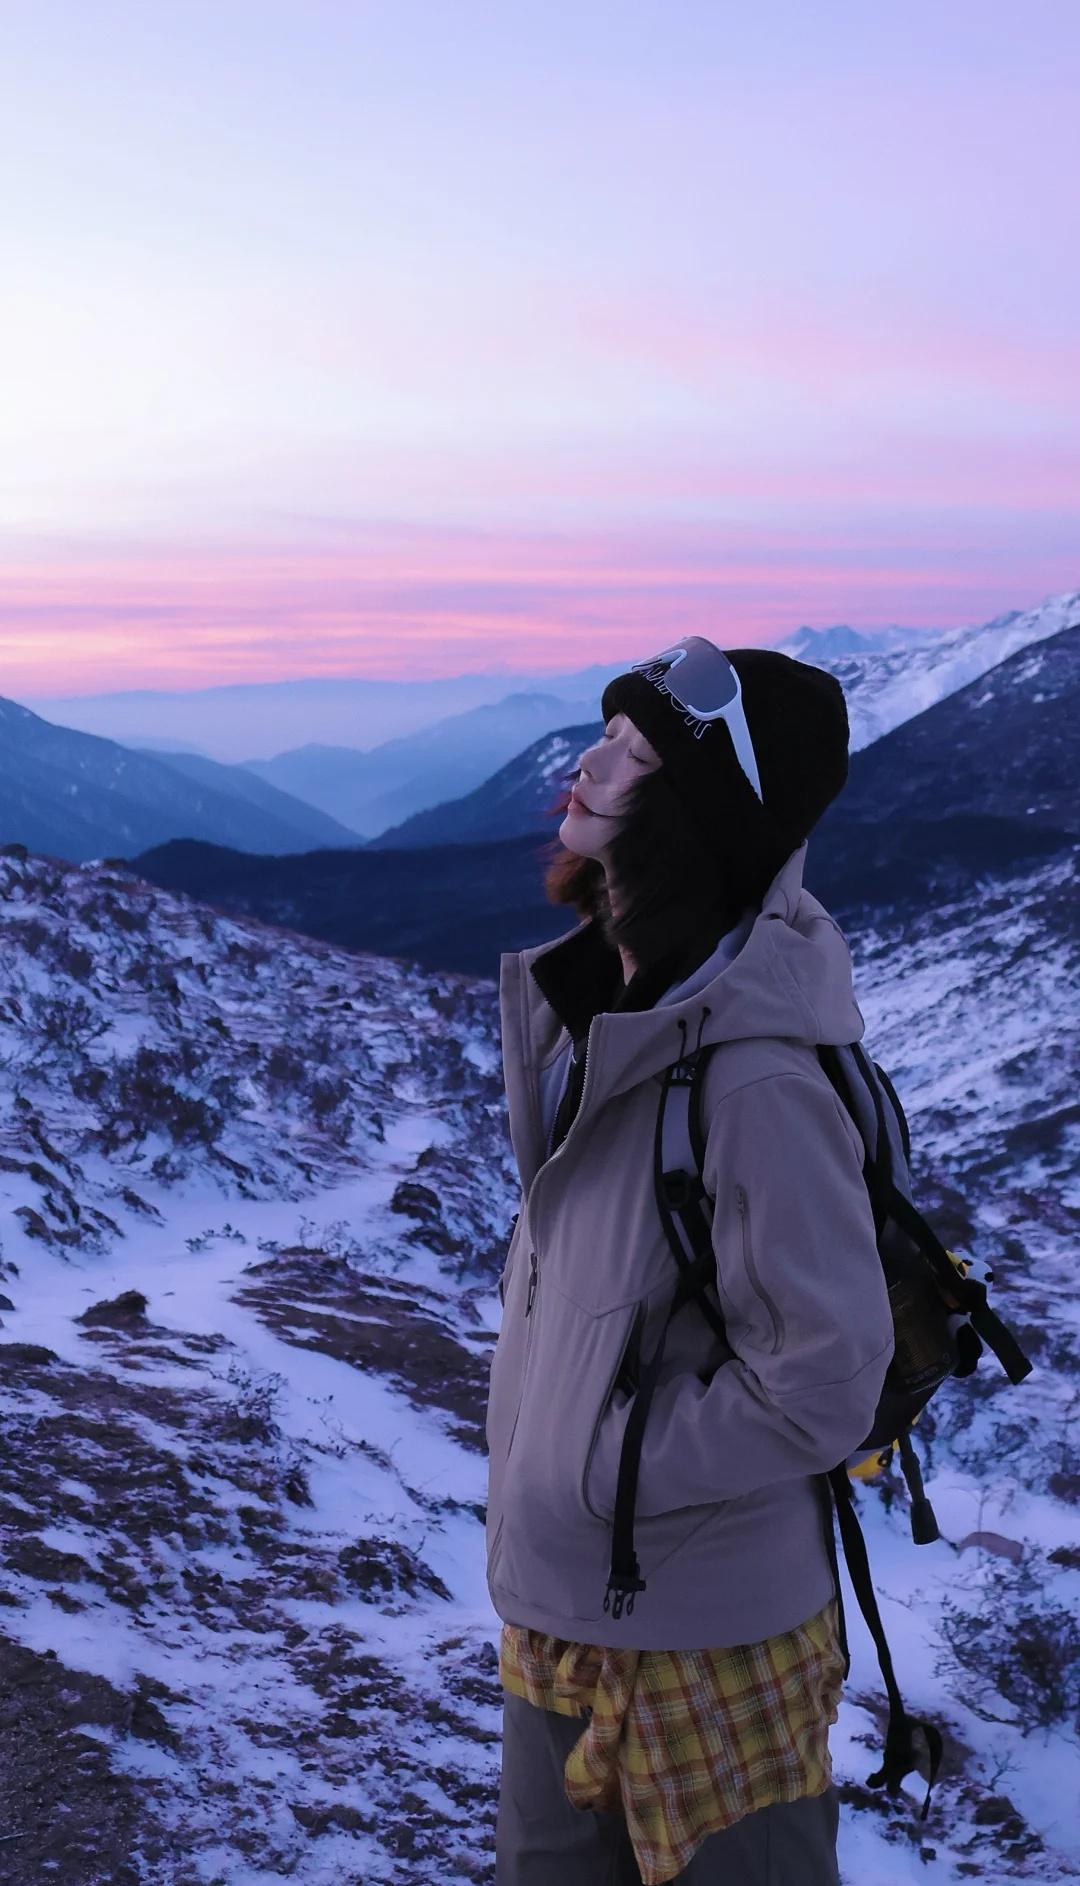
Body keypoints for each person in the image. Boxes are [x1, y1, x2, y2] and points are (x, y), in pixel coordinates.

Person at [485, 636, 895, 1884]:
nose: (590, 762)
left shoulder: (756, 1080)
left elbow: (824, 1379)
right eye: (606, 733)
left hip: (713, 1641)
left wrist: (598, 1465)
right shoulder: (609, 1016)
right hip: (556, 1612)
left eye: (635, 751)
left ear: (696, 815)